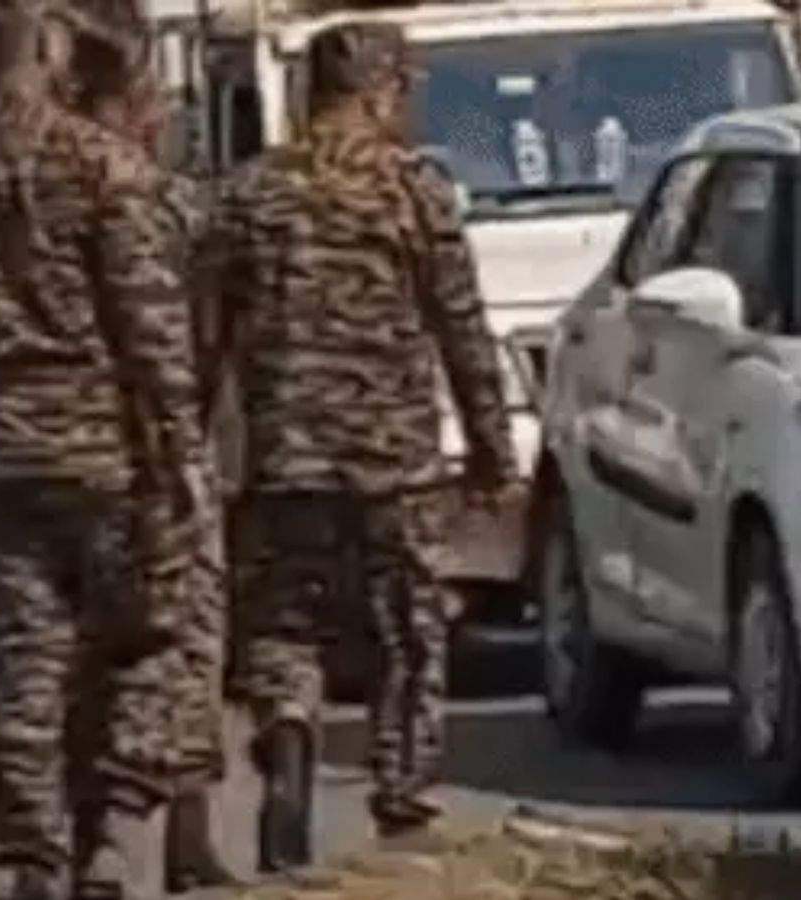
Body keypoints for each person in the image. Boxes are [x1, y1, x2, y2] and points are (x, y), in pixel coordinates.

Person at [0, 0, 207, 895]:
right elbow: (151, 336)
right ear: (49, 44)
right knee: (143, 643)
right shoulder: (103, 167)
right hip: (106, 454)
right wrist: (181, 465)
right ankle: (116, 835)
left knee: (23, 666)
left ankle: (34, 860)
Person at [206, 21, 517, 870]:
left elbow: (202, 338)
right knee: (408, 636)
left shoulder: (246, 196)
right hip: (395, 464)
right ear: (386, 92)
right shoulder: (414, 192)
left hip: (281, 465)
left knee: (282, 626)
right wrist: (492, 453)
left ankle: (290, 726)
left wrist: (196, 452)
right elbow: (463, 331)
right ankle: (403, 801)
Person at [45, 1, 238, 891]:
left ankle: (99, 841)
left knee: (79, 665)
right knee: (176, 650)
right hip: (146, 456)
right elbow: (187, 339)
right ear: (132, 99)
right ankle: (139, 836)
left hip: (44, 459)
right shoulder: (145, 194)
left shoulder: (26, 184)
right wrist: (190, 455)